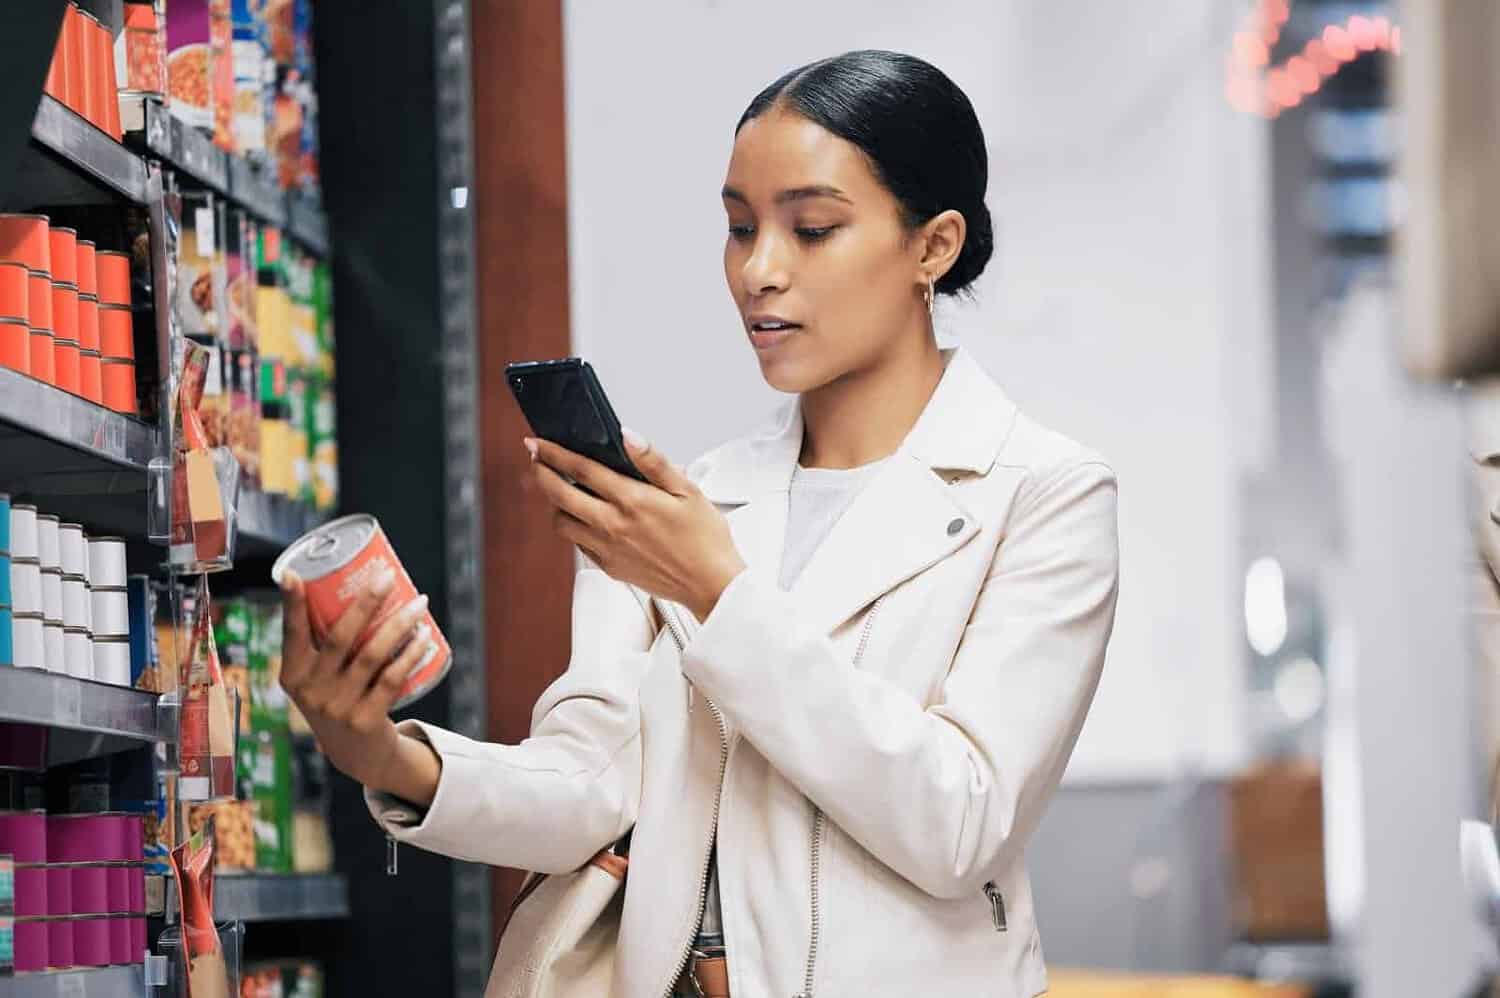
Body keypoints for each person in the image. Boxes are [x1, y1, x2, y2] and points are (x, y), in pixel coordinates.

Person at [278, 49, 1119, 998]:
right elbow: (589, 787)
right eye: (738, 227)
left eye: (812, 229)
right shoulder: (685, 503)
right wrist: (383, 754)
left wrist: (716, 592)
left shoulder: (1044, 494)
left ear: (934, 246)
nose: (759, 270)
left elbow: (959, 824)